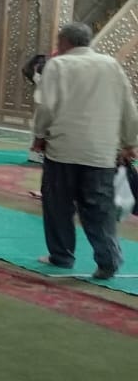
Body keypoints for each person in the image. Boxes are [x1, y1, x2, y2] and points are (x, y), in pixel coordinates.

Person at [33, 22, 138, 280]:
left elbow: (46, 106)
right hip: (101, 152)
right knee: (99, 209)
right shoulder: (111, 65)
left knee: (58, 206)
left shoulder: (58, 65)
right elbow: (128, 106)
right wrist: (129, 142)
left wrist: (39, 136)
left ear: (64, 42)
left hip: (63, 149)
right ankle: (108, 259)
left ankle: (62, 256)